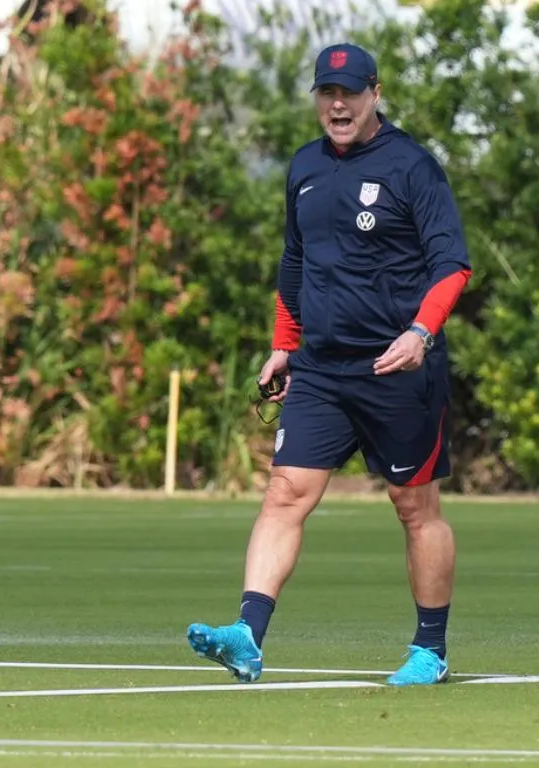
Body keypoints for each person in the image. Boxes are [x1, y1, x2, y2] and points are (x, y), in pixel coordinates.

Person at [186, 42, 472, 687]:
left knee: (414, 505)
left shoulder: (412, 167)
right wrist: (284, 343)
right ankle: (247, 635)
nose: (337, 105)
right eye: (326, 93)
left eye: (349, 93)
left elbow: (452, 265)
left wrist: (422, 332)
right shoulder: (305, 166)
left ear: (375, 94)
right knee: (285, 491)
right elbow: (296, 263)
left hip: (398, 369)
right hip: (321, 368)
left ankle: (430, 649)